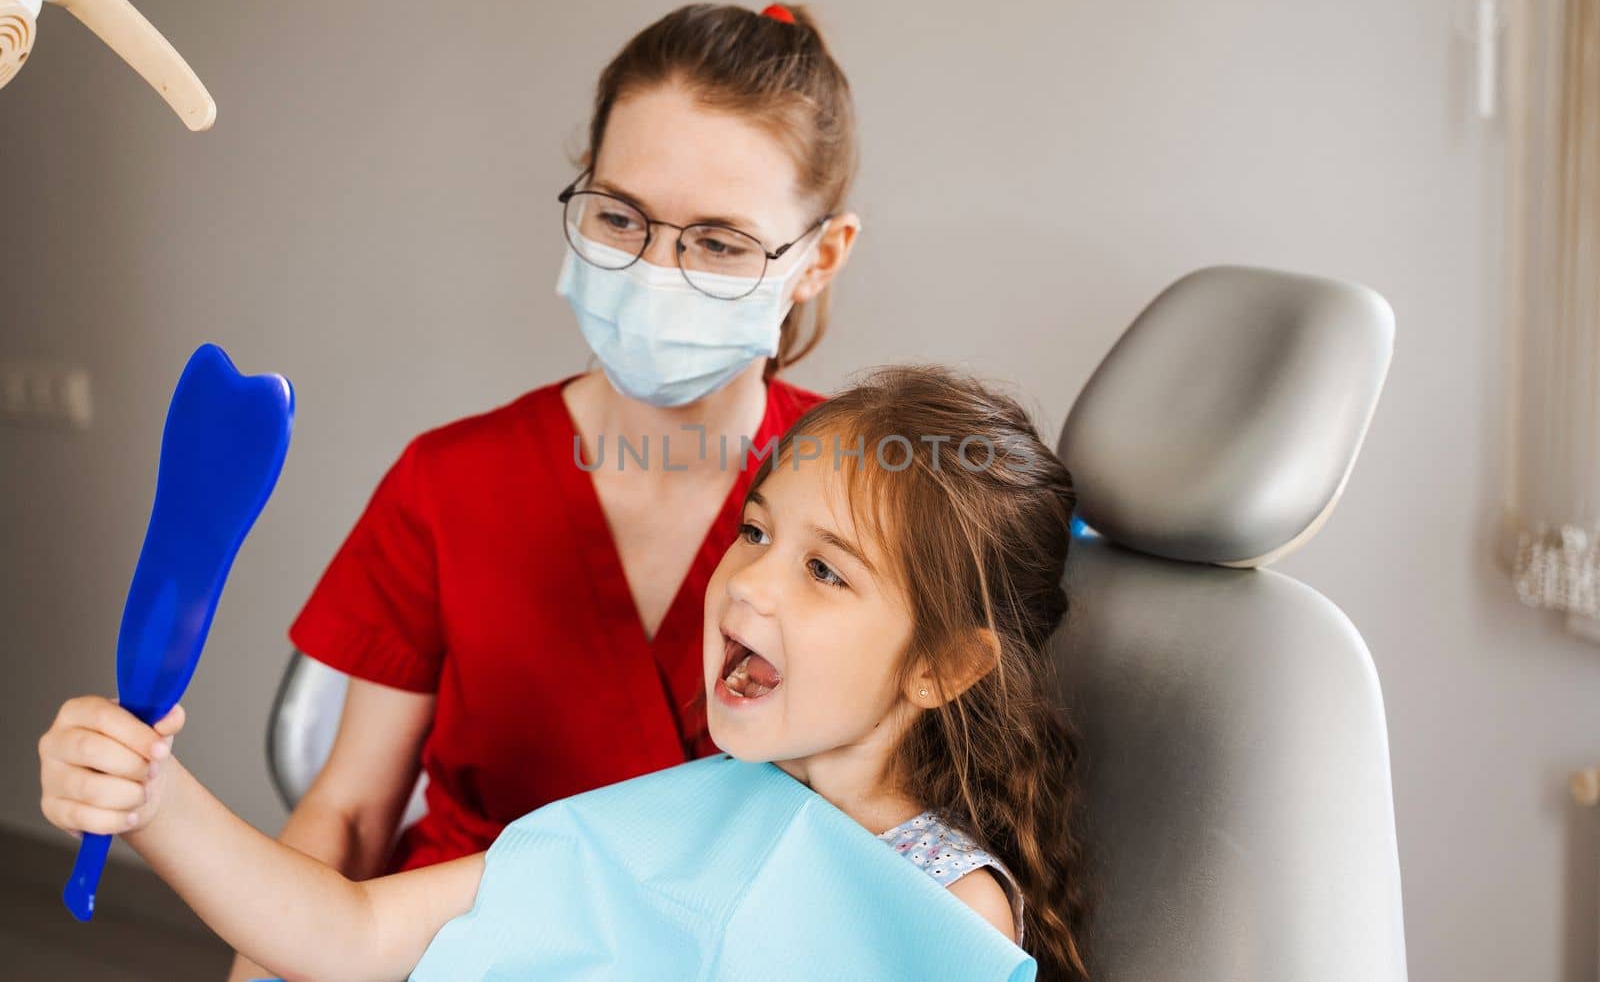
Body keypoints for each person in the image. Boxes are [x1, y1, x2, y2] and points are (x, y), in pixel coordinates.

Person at [39, 364, 1094, 981]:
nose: (749, 585)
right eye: (758, 530)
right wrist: (152, 798)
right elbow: (352, 932)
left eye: (825, 570)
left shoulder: (942, 907)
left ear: (944, 666)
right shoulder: (678, 810)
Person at [213, 1, 861, 980]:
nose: (655, 271)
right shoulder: (452, 480)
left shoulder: (866, 496)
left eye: (719, 242)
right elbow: (345, 814)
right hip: (447, 943)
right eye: (620, 217)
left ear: (818, 257)